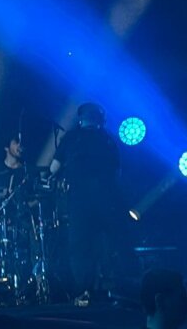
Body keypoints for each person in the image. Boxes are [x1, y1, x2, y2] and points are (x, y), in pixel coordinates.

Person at [50, 102, 121, 307]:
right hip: (107, 201)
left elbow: (54, 168)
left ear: (80, 119)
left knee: (80, 248)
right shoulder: (108, 139)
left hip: (79, 202)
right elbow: (118, 171)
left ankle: (83, 293)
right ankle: (109, 290)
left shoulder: (71, 137)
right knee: (106, 243)